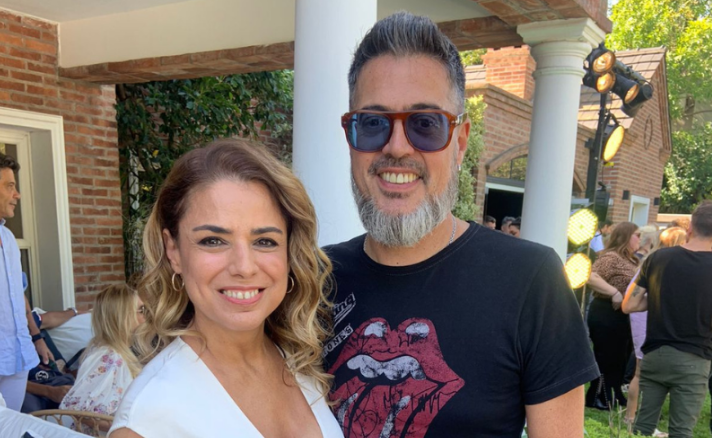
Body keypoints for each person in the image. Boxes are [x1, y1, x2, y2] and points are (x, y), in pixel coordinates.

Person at [324, 12, 598, 438]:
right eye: (373, 123)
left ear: (460, 141)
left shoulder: (530, 281)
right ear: (350, 138)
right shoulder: (313, 279)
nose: (397, 147)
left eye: (425, 124)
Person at [109, 139, 342, 438]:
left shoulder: (300, 360)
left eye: (265, 241)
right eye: (213, 241)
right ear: (173, 250)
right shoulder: (149, 419)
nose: (244, 267)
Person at [623, 202, 712, 437]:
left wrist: (661, 299)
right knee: (681, 431)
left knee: (642, 428)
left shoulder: (659, 257)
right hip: (694, 357)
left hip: (655, 354)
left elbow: (629, 304)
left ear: (690, 227)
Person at [0, 153, 54, 411]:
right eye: (9, 186)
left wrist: (36, 337)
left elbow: (17, 295)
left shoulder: (9, 239)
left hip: (17, 355)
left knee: (10, 426)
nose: (17, 194)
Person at [623, 226, 685, 436]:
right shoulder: (667, 263)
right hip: (650, 319)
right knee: (643, 373)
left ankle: (632, 417)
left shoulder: (651, 260)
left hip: (644, 317)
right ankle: (636, 419)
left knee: (640, 372)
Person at [59, 284, 144, 433]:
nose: (147, 316)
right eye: (141, 310)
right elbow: (76, 409)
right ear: (124, 316)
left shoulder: (110, 350)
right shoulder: (110, 357)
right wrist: (130, 430)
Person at [585, 222, 639, 411]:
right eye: (637, 235)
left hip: (622, 315)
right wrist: (614, 292)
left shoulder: (632, 260)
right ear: (625, 236)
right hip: (606, 311)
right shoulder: (611, 257)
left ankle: (614, 392)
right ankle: (598, 395)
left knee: (619, 357)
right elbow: (591, 276)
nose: (640, 239)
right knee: (606, 356)